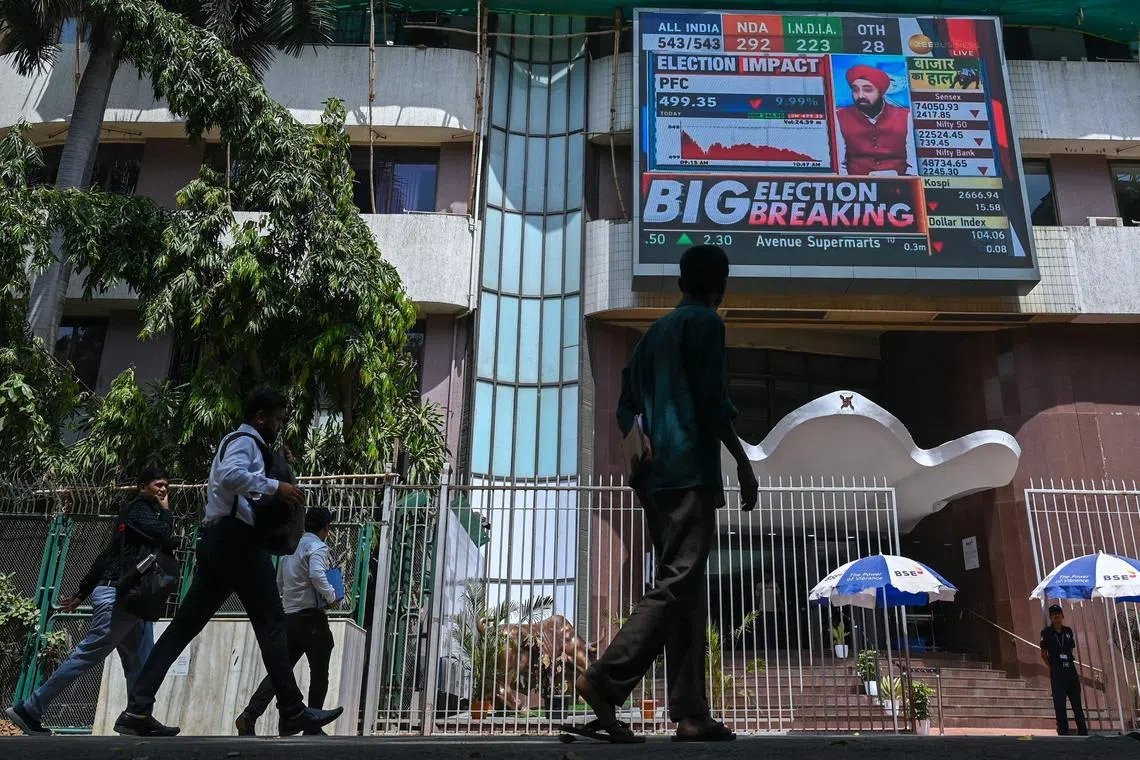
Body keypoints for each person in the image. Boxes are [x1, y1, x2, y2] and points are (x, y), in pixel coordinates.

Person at [568, 245, 759, 743]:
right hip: (688, 470)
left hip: (652, 477)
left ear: (681, 283)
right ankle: (605, 681)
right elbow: (714, 404)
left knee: (689, 593)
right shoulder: (706, 325)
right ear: (719, 286)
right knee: (680, 581)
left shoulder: (651, 336)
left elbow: (625, 405)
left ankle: (691, 713)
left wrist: (640, 434)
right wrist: (742, 462)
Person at [114, 388, 342, 737]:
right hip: (238, 542)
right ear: (260, 417)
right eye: (278, 419)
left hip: (220, 542)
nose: (280, 425)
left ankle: (137, 709)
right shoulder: (244, 440)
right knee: (273, 625)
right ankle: (293, 710)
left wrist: (278, 466)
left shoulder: (254, 446)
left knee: (183, 628)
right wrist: (275, 486)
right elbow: (230, 476)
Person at [6, 466, 176, 736]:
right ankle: (30, 709)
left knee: (141, 664)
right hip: (120, 599)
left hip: (130, 601)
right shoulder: (140, 511)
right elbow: (163, 536)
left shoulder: (135, 516)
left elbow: (108, 556)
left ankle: (137, 716)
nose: (164, 489)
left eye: (166, 485)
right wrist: (167, 513)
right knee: (86, 655)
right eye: (158, 485)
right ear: (143, 487)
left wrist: (82, 592)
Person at [235, 506, 339, 736]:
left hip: (289, 617)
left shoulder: (290, 549)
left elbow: (280, 583)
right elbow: (317, 575)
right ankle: (312, 724)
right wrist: (331, 596)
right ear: (325, 529)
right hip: (312, 619)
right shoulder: (318, 547)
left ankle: (250, 714)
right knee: (319, 672)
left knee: (279, 672)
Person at [834, 64, 915, 176]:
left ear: (881, 92)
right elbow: (839, 165)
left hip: (902, 185)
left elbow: (914, 164)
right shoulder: (839, 118)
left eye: (868, 90)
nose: (860, 95)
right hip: (857, 186)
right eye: (855, 90)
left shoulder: (907, 117)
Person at [1039, 604, 1088, 736]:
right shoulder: (1046, 633)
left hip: (1070, 670)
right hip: (1057, 671)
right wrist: (1053, 667)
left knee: (1076, 702)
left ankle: (1083, 731)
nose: (1057, 616)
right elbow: (1043, 654)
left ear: (1062, 615)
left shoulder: (1068, 631)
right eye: (1054, 614)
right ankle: (1063, 732)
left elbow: (1070, 648)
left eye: (1058, 613)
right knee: (1060, 704)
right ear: (1050, 617)